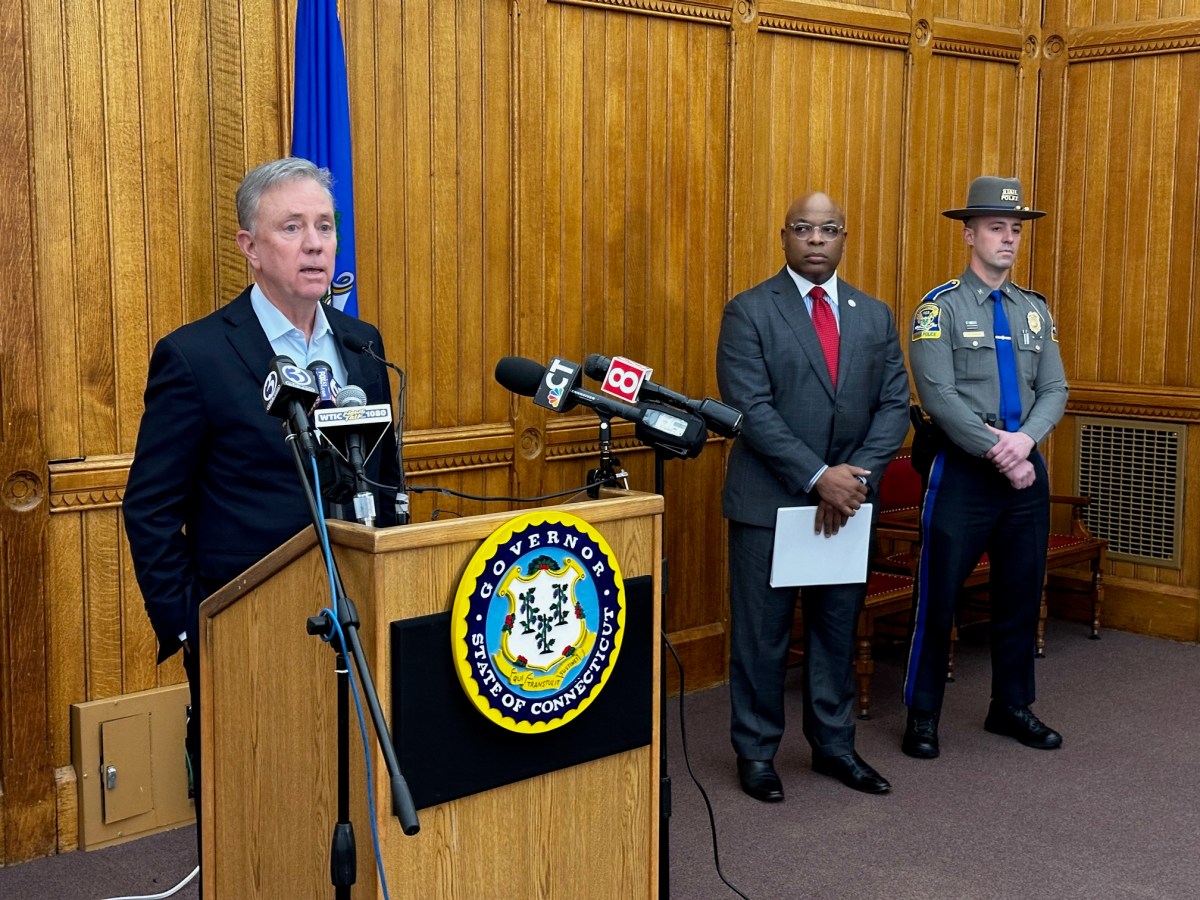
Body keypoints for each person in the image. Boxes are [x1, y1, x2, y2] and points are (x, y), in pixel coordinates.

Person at [122, 157, 401, 849]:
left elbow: (387, 482)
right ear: (249, 246)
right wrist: (196, 629)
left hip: (359, 623)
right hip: (247, 633)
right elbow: (150, 509)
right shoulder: (196, 357)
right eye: (292, 226)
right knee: (257, 827)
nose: (315, 243)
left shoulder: (363, 349)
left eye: (325, 226)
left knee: (347, 808)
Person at [716, 192, 909, 800]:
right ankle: (755, 753)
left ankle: (834, 746)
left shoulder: (874, 315)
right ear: (784, 237)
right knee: (761, 638)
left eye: (830, 229)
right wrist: (816, 475)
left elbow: (894, 404)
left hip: (848, 504)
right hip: (769, 506)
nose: (817, 239)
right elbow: (751, 408)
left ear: (845, 238)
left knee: (835, 631)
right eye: (805, 228)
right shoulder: (748, 311)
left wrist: (854, 477)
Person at [902, 175, 1068, 760]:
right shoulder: (938, 309)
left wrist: (1024, 444)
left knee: (1021, 592)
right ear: (969, 234)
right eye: (996, 227)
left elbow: (1055, 387)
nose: (1008, 239)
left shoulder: (1033, 312)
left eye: (1015, 230)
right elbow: (938, 396)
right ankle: (922, 714)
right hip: (965, 474)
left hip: (1024, 473)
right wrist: (1000, 451)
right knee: (938, 595)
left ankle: (1012, 705)